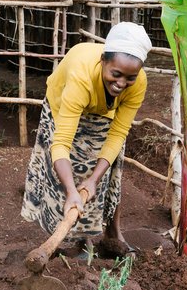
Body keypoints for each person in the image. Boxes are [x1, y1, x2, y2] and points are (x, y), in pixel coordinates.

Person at [20, 22, 152, 254]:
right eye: (116, 74)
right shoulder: (81, 76)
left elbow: (118, 134)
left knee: (107, 174)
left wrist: (93, 180)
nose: (121, 83)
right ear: (103, 61)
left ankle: (112, 233)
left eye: (129, 77)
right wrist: (72, 190)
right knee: (67, 173)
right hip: (63, 103)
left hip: (103, 112)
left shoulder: (138, 82)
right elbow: (61, 143)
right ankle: (67, 241)